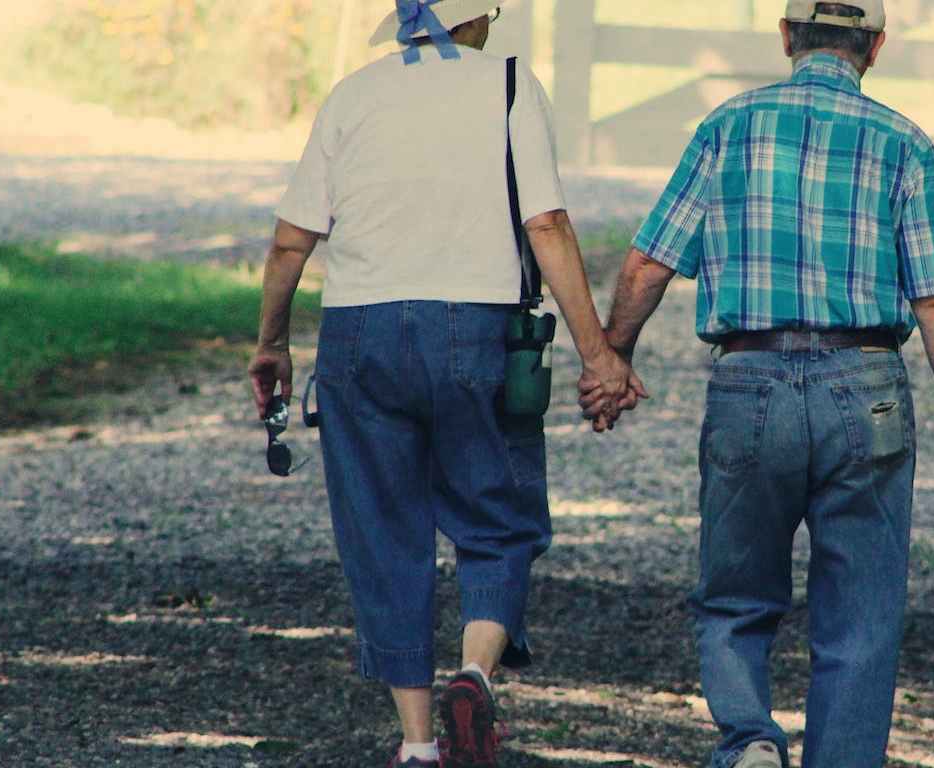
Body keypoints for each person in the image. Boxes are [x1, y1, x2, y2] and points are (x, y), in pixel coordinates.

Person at [587, 2, 934, 765]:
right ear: (875, 46)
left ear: (786, 36)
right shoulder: (904, 143)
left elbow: (648, 263)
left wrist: (612, 358)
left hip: (750, 380)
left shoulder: (726, 127)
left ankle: (749, 739)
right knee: (861, 614)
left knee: (735, 593)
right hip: (866, 385)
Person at [248, 2, 641, 766]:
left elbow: (292, 241)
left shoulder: (354, 95)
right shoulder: (509, 84)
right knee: (498, 516)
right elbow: (547, 224)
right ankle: (475, 673)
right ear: (475, 19)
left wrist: (271, 344)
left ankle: (419, 742)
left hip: (359, 333)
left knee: (383, 533)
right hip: (474, 325)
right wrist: (599, 354)